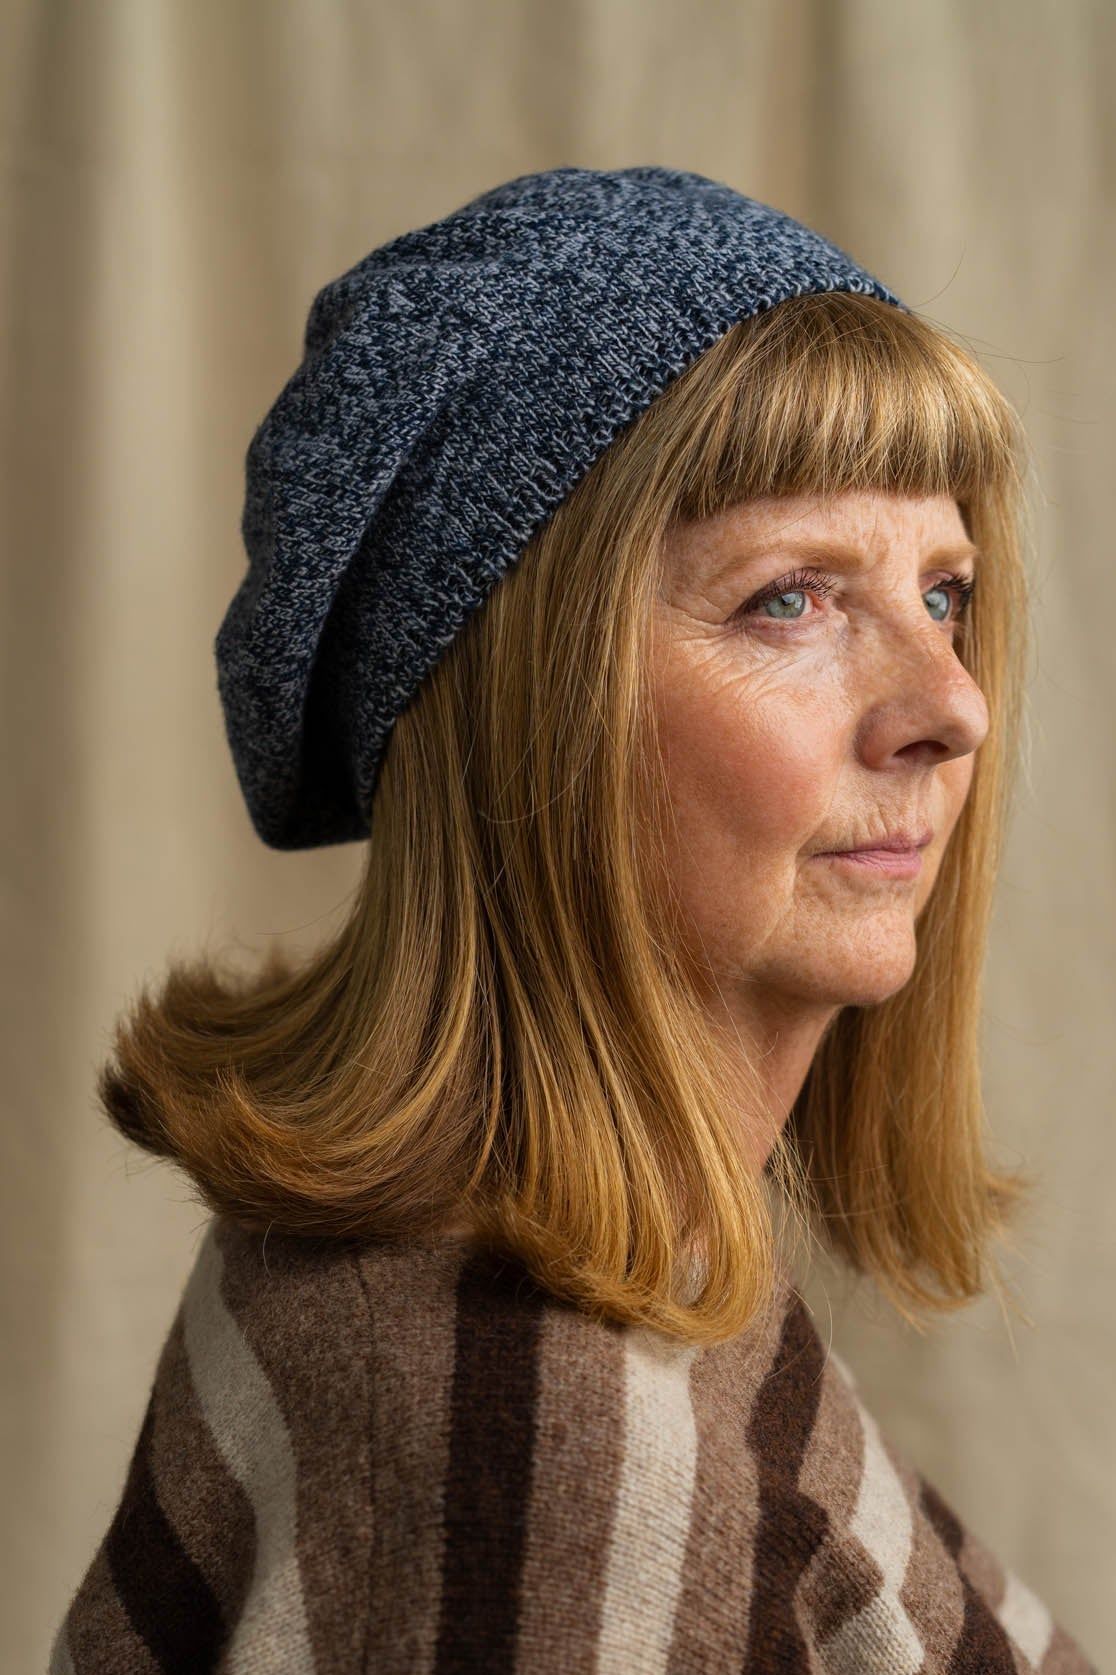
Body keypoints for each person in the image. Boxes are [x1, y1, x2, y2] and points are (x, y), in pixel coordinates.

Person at [49, 166, 1098, 1673]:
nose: (953, 706)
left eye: (946, 592)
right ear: (531, 717)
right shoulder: (527, 1434)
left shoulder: (608, 1283)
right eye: (788, 600)